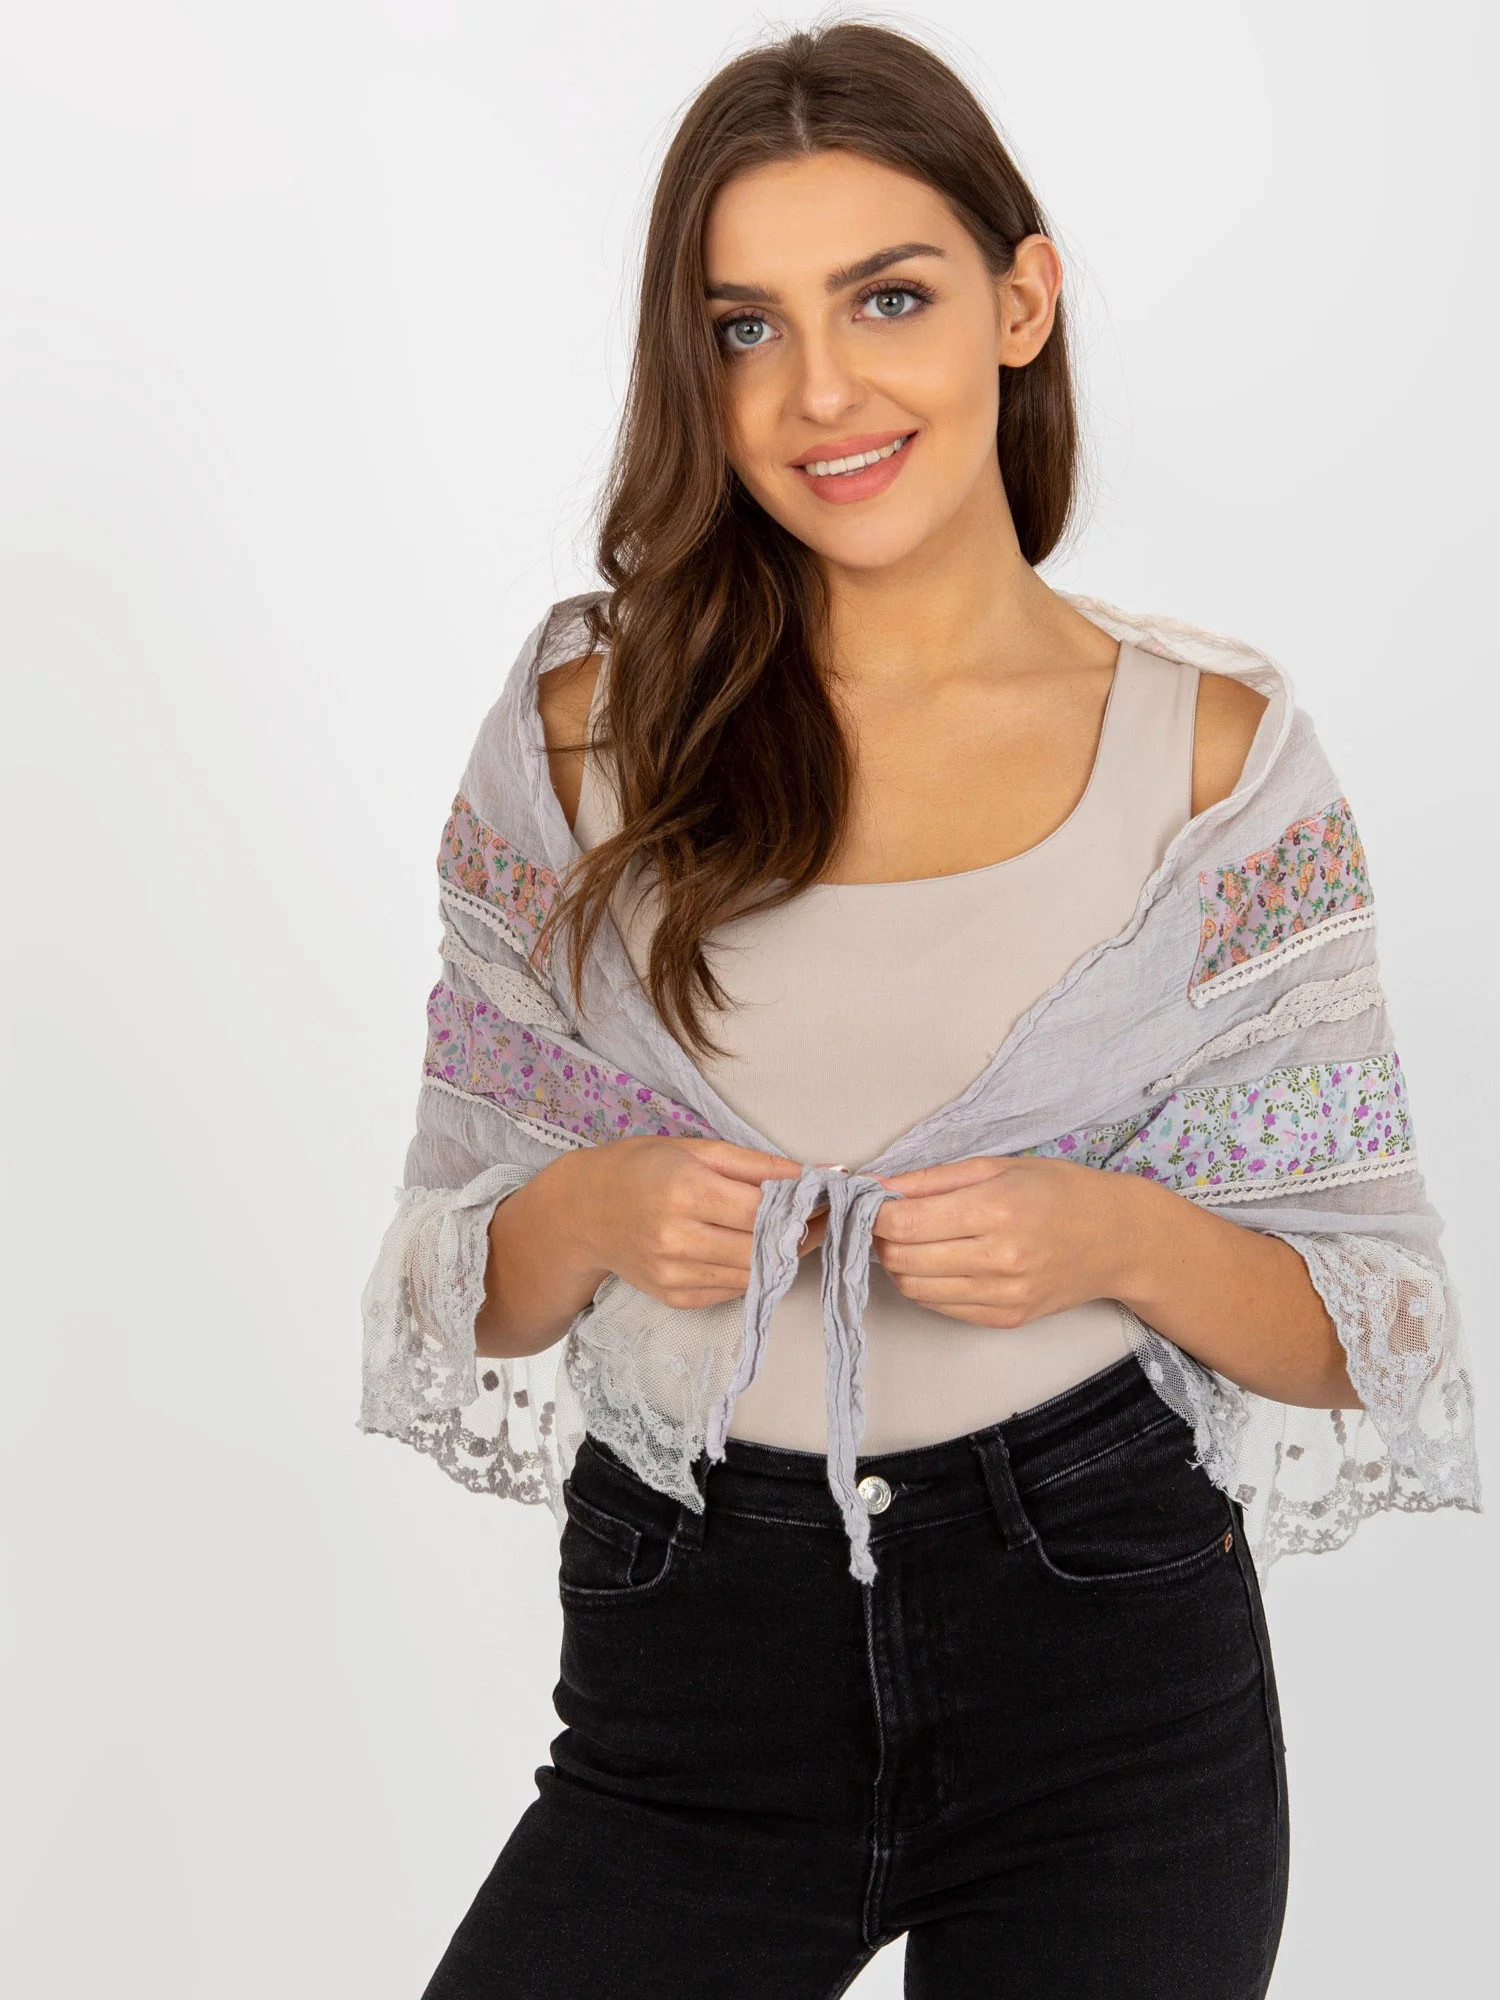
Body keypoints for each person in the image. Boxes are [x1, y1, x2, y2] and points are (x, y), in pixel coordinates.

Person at [358, 22, 1478, 1998]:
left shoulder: (1213, 765)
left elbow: (1358, 1320)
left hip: (1105, 1667)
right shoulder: (582, 733)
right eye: (746, 328)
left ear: (1019, 303)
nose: (823, 390)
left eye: (889, 297)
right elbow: (471, 1287)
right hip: (688, 1670)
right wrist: (602, 1204)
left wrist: (1113, 1237)